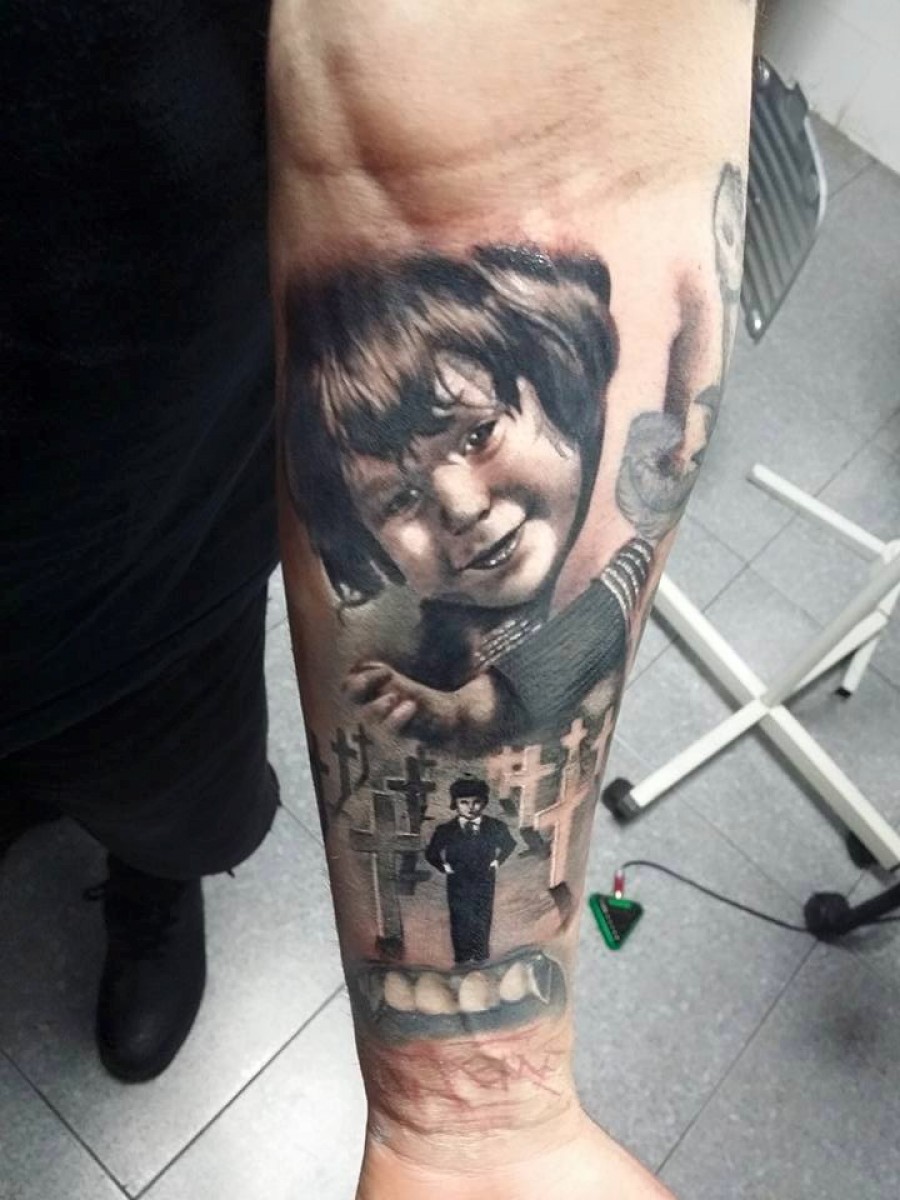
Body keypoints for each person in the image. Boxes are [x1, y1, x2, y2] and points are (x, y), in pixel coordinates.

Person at [3, 2, 756, 1198]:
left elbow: (506, 161)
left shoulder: (533, 582)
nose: (456, 505)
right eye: (399, 494)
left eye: (477, 432)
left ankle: (154, 882)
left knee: (176, 804)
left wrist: (472, 1110)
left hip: (135, 578)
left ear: (556, 380)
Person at [424, 775, 517, 964]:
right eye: (464, 802)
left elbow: (509, 844)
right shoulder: (446, 830)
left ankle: (481, 955)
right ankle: (462, 956)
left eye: (476, 802)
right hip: (458, 881)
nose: (471, 807)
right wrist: (444, 866)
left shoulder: (494, 826)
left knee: (482, 916)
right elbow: (431, 853)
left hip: (484, 879)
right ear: (455, 803)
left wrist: (497, 861)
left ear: (484, 802)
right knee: (460, 917)